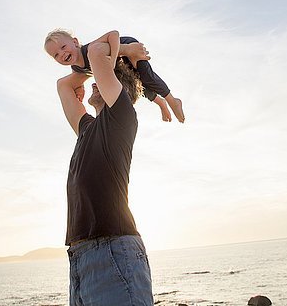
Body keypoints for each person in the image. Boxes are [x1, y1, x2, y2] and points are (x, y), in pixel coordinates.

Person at [56, 35, 154, 306]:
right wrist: (83, 75)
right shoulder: (87, 128)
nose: (95, 82)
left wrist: (120, 53)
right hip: (80, 254)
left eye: (103, 78)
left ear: (119, 90)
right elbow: (64, 85)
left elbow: (98, 52)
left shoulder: (122, 117)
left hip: (113, 249)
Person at [45, 28, 184, 123]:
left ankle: (172, 100)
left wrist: (114, 58)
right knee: (138, 85)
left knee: (146, 76)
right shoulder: (75, 66)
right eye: (56, 55)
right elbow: (78, 74)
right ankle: (161, 103)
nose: (61, 54)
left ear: (75, 42)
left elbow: (113, 34)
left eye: (63, 47)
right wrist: (79, 89)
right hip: (120, 61)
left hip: (127, 45)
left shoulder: (90, 49)